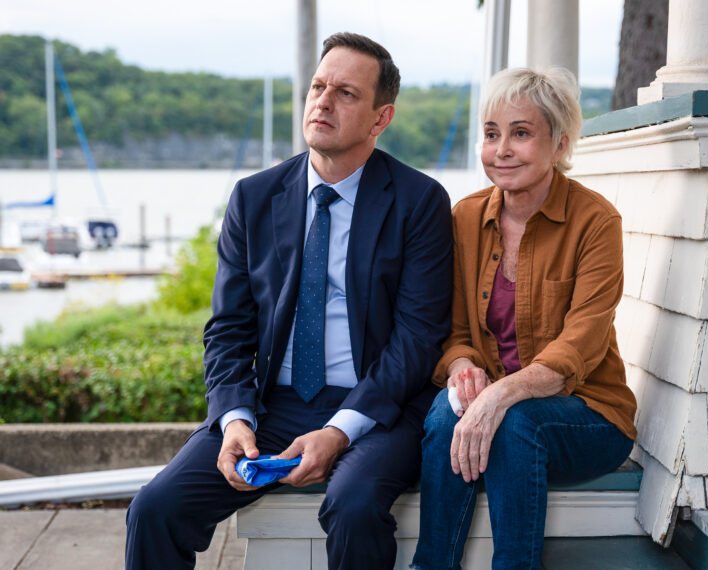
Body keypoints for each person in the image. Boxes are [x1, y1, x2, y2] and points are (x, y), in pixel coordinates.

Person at [125, 32, 453, 570]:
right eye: (318, 87)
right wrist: (233, 419)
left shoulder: (420, 202)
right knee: (154, 510)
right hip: (272, 407)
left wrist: (338, 430)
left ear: (380, 118)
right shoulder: (253, 198)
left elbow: (416, 340)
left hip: (377, 407)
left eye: (346, 93)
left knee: (353, 506)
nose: (323, 101)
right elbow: (229, 327)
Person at [411, 67, 638, 569]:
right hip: (497, 401)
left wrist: (500, 393)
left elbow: (582, 340)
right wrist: (462, 370)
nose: (502, 149)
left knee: (514, 421)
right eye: (492, 134)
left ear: (559, 144)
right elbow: (453, 331)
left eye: (521, 133)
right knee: (446, 412)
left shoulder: (596, 222)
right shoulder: (465, 218)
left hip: (589, 412)